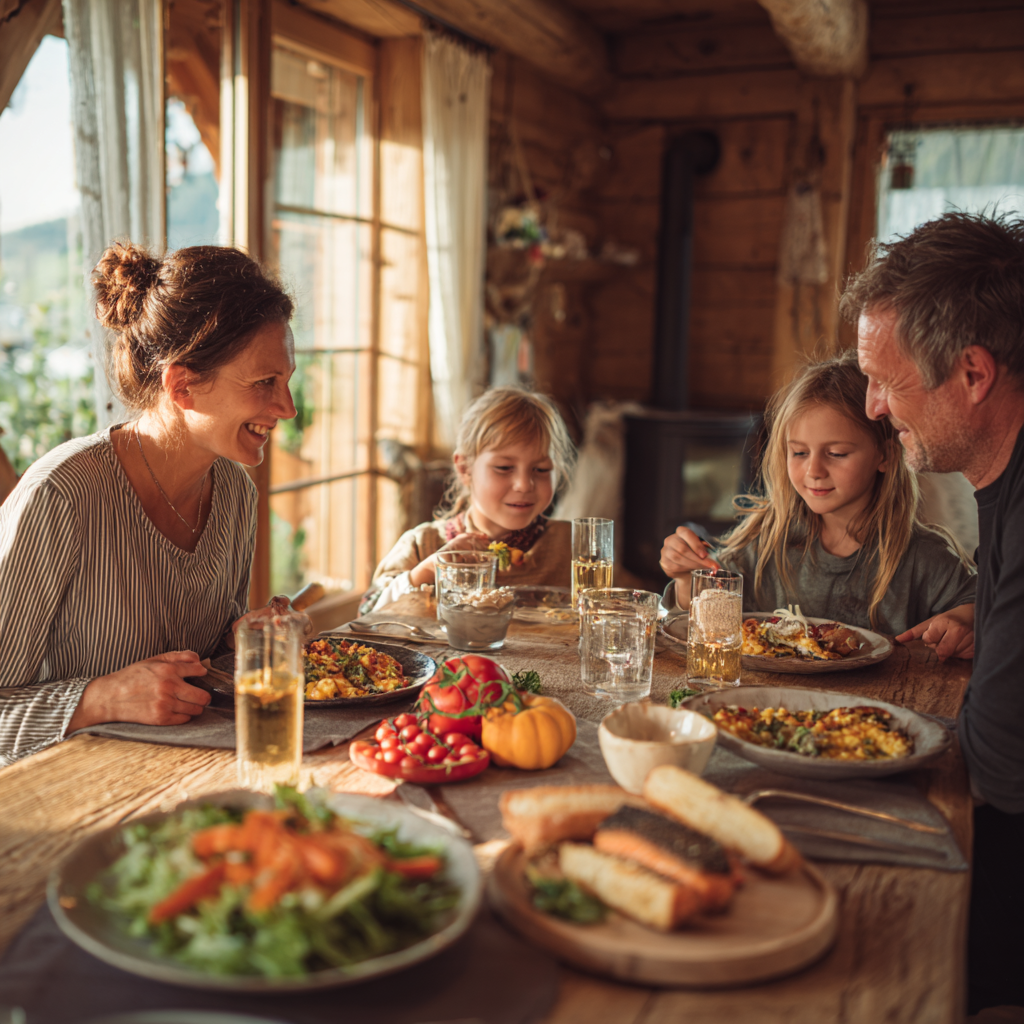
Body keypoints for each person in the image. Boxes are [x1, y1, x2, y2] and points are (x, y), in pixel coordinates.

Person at [0, 242, 297, 765]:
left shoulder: (233, 493)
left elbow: (205, 673)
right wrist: (101, 699)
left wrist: (248, 642)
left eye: (286, 381)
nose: (287, 408)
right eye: (264, 383)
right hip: (58, 806)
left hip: (186, 781)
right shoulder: (61, 496)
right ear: (182, 386)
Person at [841, 211, 1024, 1014]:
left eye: (886, 380)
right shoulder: (1001, 474)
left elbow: (1004, 767)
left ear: (973, 374)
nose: (874, 408)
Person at [659, 352, 976, 651]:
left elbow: (983, 602)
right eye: (798, 452)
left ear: (886, 455)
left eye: (836, 454)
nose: (813, 471)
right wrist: (688, 578)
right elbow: (707, 613)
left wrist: (965, 618)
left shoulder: (924, 558)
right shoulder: (765, 543)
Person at [363, 386, 576, 612]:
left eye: (541, 469)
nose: (524, 484)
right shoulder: (421, 545)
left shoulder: (573, 548)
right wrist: (427, 571)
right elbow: (367, 615)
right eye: (504, 467)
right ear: (465, 469)